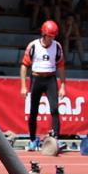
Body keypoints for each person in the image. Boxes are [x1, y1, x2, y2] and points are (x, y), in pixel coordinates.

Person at [20, 19, 63, 152]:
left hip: (50, 79)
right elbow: (24, 66)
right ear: (43, 34)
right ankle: (33, 139)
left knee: (55, 109)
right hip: (37, 79)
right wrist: (23, 85)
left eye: (53, 36)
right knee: (33, 112)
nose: (51, 39)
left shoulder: (57, 46)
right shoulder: (33, 46)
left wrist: (63, 86)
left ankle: (55, 139)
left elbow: (61, 66)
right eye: (49, 36)